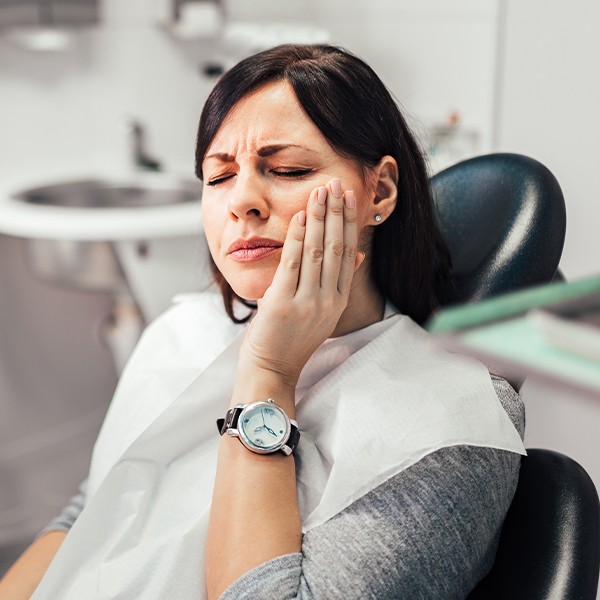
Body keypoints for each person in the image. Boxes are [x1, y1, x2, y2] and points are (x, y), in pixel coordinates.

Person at [0, 44, 525, 600]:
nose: (242, 200)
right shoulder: (182, 335)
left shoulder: (452, 424)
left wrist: (270, 372)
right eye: (218, 177)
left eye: (288, 169)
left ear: (381, 190)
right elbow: (96, 511)